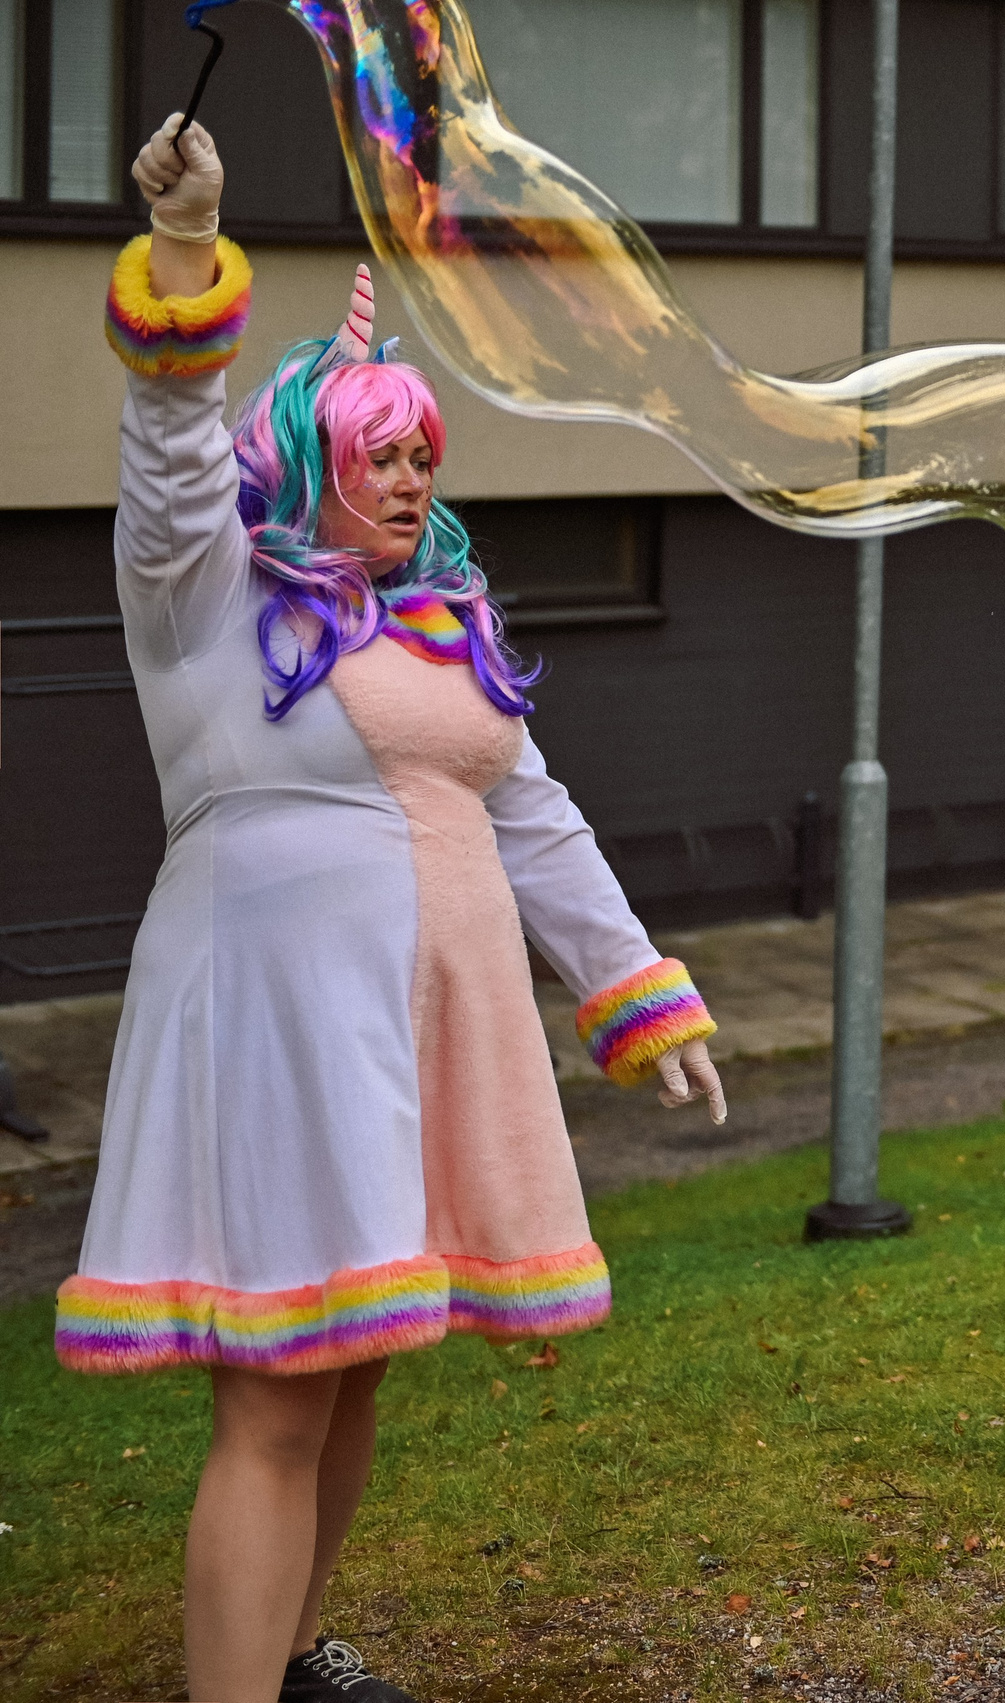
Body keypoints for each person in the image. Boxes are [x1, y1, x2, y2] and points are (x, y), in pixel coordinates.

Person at [57, 117, 727, 1703]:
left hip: (424, 1034)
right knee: (277, 1391)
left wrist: (636, 991)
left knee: (356, 1365)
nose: (415, 477)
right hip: (280, 1024)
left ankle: (292, 1657)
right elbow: (170, 448)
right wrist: (184, 249)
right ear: (309, 461)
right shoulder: (204, 596)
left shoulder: (445, 623)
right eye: (383, 453)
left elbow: (534, 815)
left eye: (427, 453)